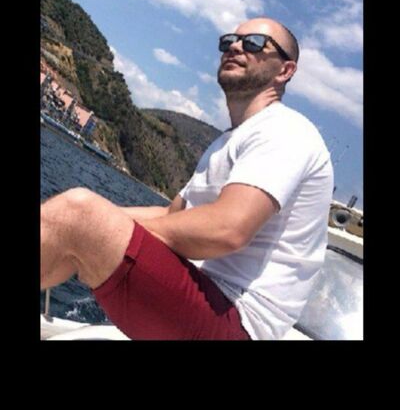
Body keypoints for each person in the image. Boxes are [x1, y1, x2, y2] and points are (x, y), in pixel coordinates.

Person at [41, 17, 334, 340]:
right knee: (71, 216)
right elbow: (172, 214)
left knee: (77, 213)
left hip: (235, 322)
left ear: (285, 70)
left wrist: (95, 223)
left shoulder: (286, 131)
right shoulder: (226, 142)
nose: (235, 47)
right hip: (205, 297)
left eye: (253, 43)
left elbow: (228, 230)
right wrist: (97, 219)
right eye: (229, 41)